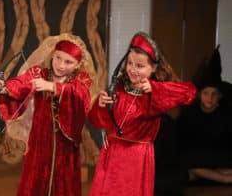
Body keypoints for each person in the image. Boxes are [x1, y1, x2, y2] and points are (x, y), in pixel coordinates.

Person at [88, 31, 197, 196]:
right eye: (130, 63)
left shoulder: (154, 95)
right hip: (112, 153)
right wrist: (101, 105)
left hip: (136, 157)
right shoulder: (118, 87)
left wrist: (156, 88)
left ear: (153, 68)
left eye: (139, 66)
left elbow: (190, 93)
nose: (132, 69)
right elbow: (98, 122)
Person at [0, 33, 95, 196]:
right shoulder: (39, 73)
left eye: (68, 62)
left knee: (63, 183)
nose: (60, 65)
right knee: (36, 180)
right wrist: (4, 88)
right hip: (39, 141)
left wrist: (53, 87)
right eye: (58, 58)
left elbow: (81, 96)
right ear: (53, 55)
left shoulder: (81, 80)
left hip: (66, 146)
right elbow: (21, 83)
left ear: (77, 64)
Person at [177, 45, 232, 185]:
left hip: (219, 157)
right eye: (206, 93)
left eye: (214, 94)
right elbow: (180, 142)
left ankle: (209, 175)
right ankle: (224, 178)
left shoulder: (226, 114)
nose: (210, 97)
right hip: (196, 159)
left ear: (219, 97)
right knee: (184, 162)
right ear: (200, 95)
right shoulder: (189, 114)